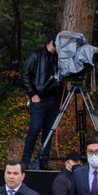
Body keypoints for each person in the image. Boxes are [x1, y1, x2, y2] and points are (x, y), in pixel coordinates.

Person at [21, 32, 61, 169]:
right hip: (39, 99)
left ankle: (44, 161)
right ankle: (25, 161)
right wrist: (32, 94)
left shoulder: (58, 58)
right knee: (35, 129)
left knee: (49, 131)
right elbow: (25, 74)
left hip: (54, 100)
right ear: (51, 42)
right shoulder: (36, 55)